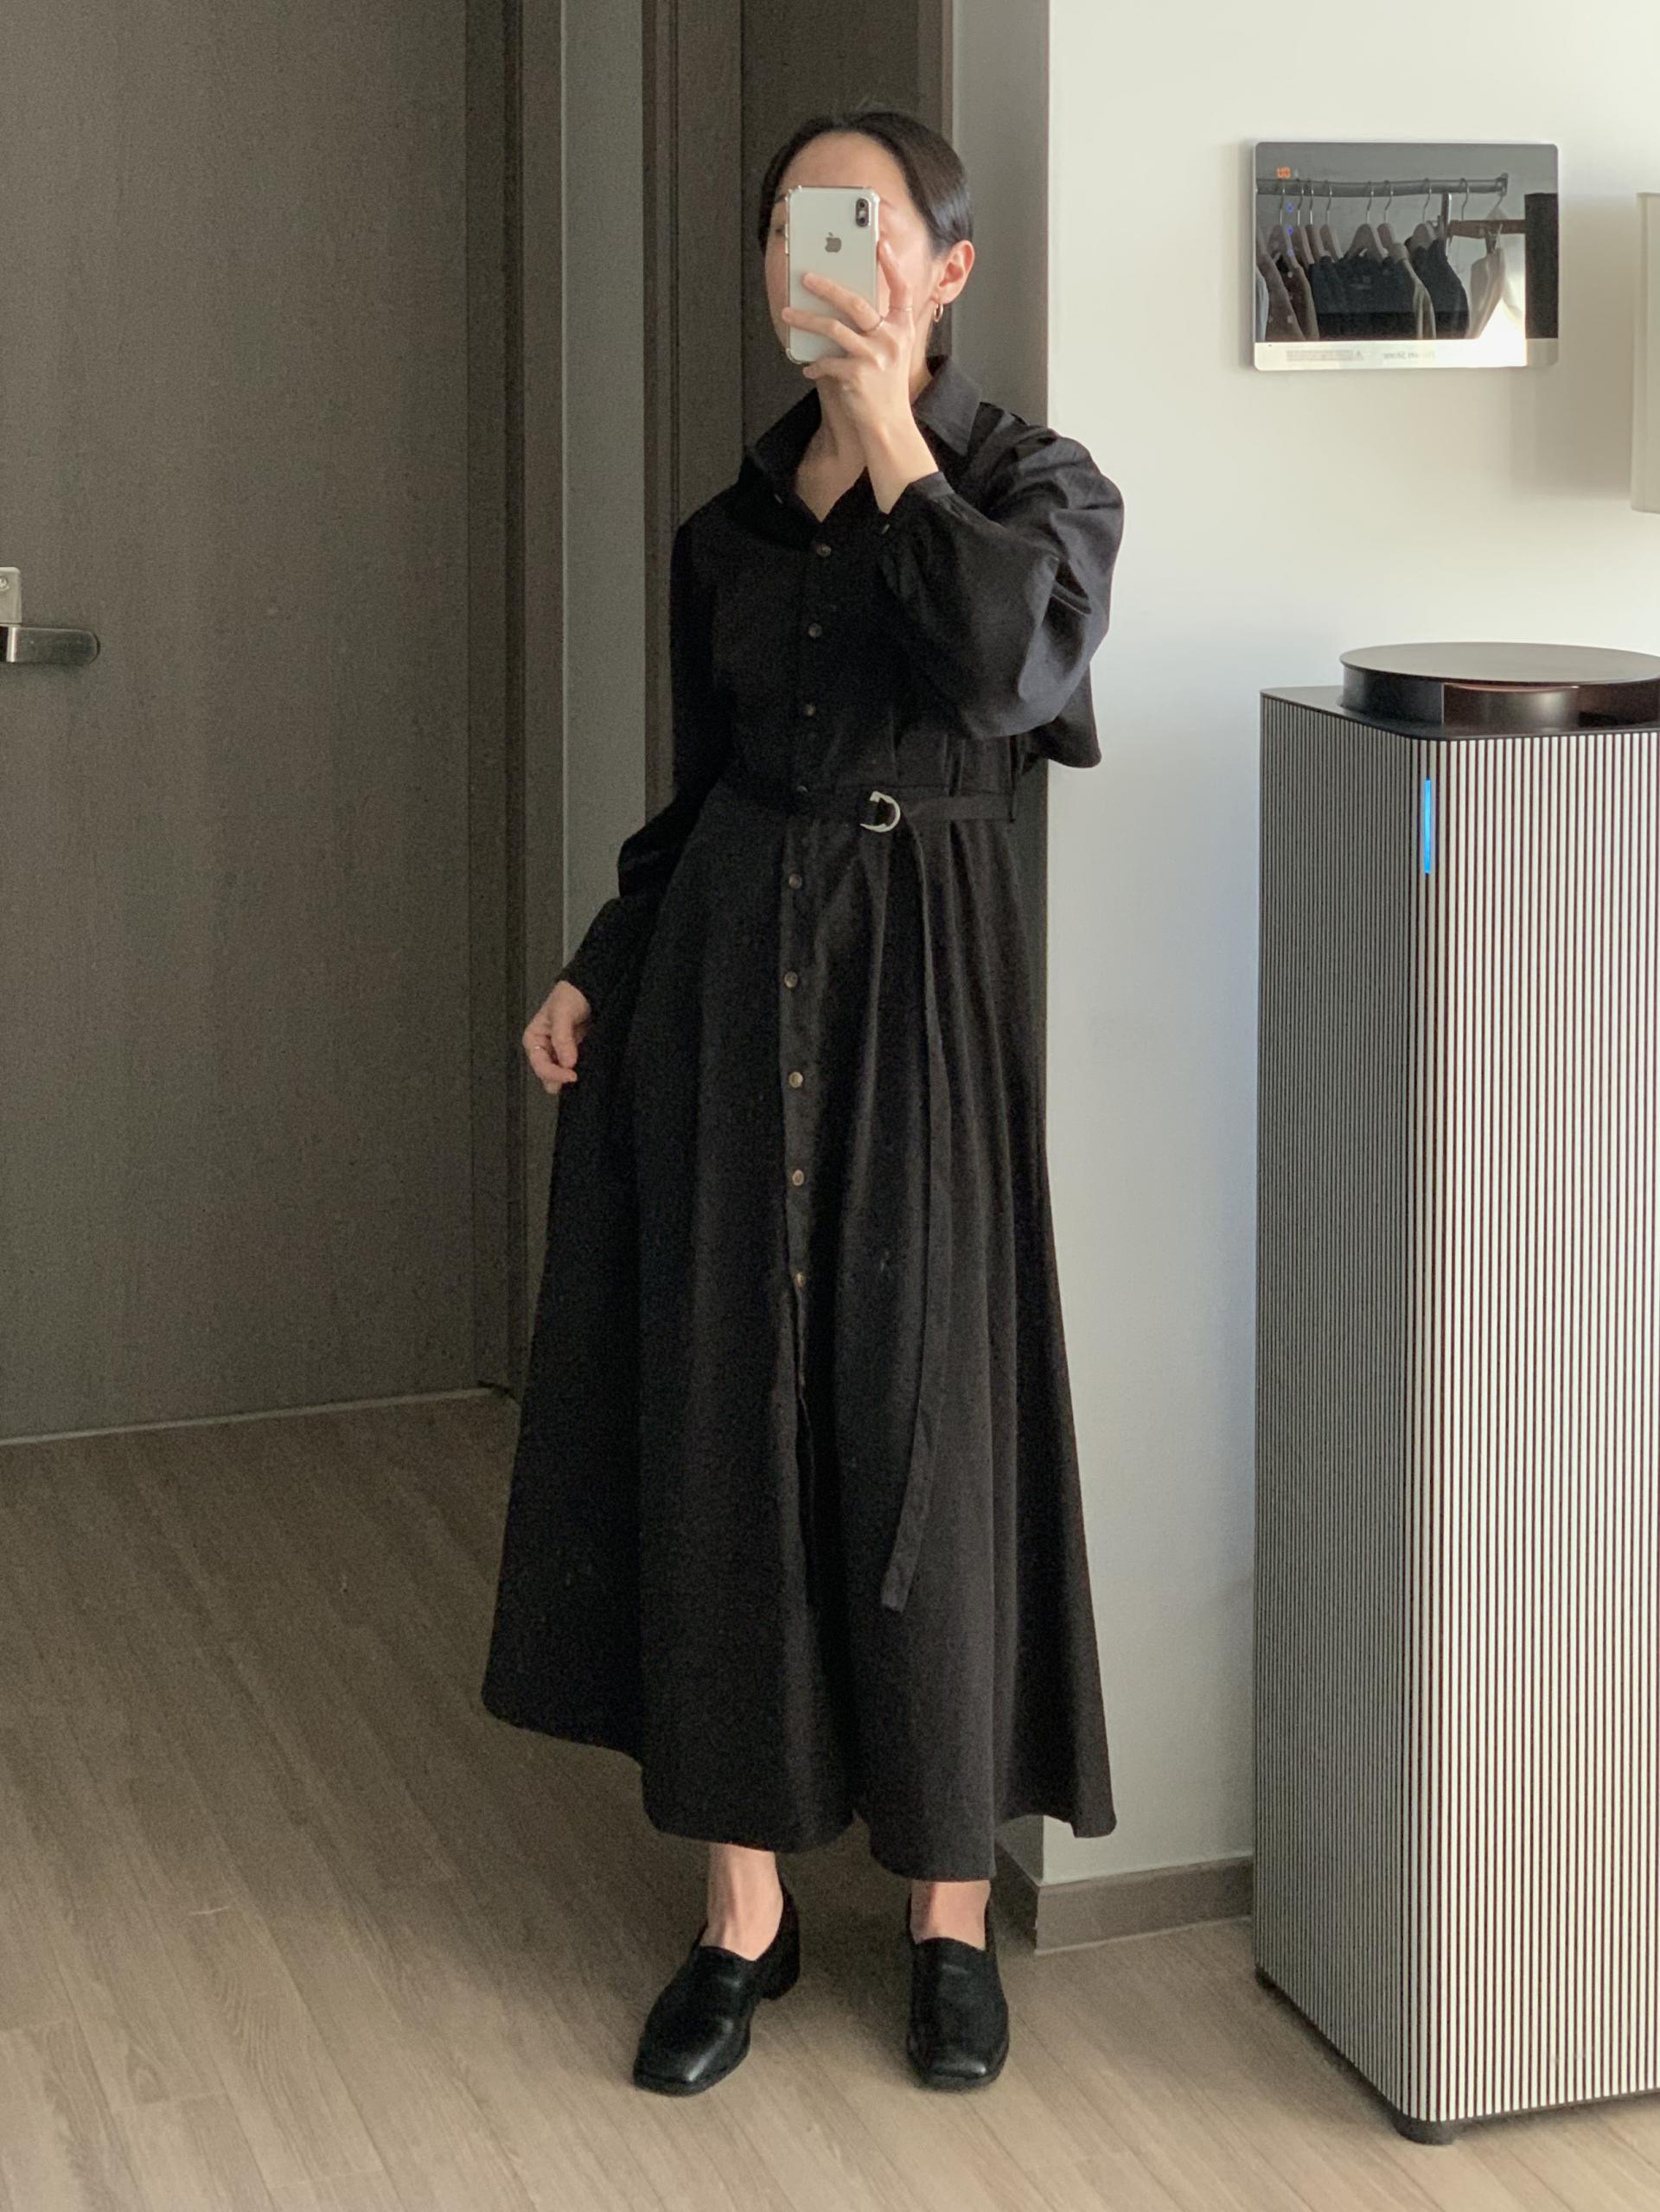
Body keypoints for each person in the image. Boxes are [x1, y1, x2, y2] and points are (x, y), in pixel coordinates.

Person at [480, 102, 1125, 2098]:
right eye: (788, 223)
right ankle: (741, 1911)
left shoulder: (1037, 492)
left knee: (929, 1423)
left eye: (857, 222)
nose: (813, 251)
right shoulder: (727, 534)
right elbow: (701, 798)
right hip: (728, 981)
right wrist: (604, 957)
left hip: (923, 1006)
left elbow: (1009, 674)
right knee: (731, 1430)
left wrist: (891, 430)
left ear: (946, 266)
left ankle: (948, 1912)